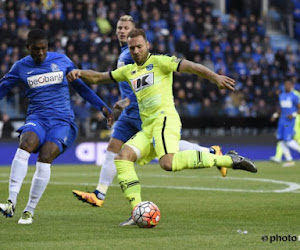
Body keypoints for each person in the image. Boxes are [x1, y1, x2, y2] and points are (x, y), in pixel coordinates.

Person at [67, 28, 257, 226]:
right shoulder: (129, 70)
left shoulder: (160, 62)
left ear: (147, 45)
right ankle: (137, 211)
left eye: (139, 46)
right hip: (148, 126)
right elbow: (99, 77)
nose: (136, 51)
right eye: (132, 48)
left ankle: (229, 160)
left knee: (167, 163)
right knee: (122, 157)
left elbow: (191, 66)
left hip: (165, 119)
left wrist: (215, 77)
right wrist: (79, 73)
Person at [0, 29, 113, 224]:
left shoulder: (62, 61)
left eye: (44, 48)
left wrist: (102, 107)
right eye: (36, 49)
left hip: (62, 122)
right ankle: (11, 201)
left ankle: (29, 210)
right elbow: (2, 88)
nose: (41, 53)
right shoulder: (20, 67)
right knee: (26, 143)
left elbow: (81, 88)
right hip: (37, 118)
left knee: (45, 156)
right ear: (28, 48)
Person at [270, 79, 300, 167]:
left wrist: (293, 114)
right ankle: (289, 160)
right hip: (282, 121)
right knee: (280, 140)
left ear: (291, 86)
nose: (286, 86)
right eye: (285, 84)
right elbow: (280, 109)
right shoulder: (281, 95)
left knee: (288, 140)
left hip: (289, 122)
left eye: (288, 85)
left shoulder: (294, 96)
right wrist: (275, 115)